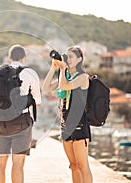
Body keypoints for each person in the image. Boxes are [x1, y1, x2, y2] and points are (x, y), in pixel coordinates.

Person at [43, 46, 93, 183]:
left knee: (83, 166)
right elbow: (46, 87)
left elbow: (65, 86)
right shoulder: (65, 77)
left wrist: (63, 69)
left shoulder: (83, 77)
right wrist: (54, 68)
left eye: (71, 57)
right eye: (67, 56)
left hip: (79, 124)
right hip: (65, 125)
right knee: (73, 166)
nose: (68, 59)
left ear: (79, 59)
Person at [0, 44, 42, 183]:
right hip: (22, 121)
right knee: (18, 164)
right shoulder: (29, 73)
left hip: (2, 121)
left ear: (9, 57)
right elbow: (37, 101)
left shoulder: (0, 73)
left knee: (1, 162)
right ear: (24, 57)